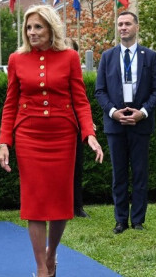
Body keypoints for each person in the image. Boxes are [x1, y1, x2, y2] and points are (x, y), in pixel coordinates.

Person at [0, 5, 103, 277]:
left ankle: (52, 254)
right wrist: (4, 142)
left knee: (59, 203)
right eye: (28, 28)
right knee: (34, 203)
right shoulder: (16, 59)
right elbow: (10, 103)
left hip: (63, 136)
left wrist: (89, 134)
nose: (32, 32)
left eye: (38, 27)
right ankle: (41, 269)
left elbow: (80, 99)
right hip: (29, 136)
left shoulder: (69, 57)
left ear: (51, 29)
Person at [95, 11, 156, 233]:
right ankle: (120, 220)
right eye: (119, 24)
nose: (123, 27)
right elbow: (100, 91)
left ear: (136, 27)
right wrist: (113, 112)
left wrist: (142, 112)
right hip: (115, 125)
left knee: (140, 173)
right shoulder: (107, 57)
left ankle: (138, 221)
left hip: (140, 124)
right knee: (119, 174)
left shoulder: (150, 56)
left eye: (127, 24)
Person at [65, 38, 90, 218]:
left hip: (75, 126)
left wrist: (87, 124)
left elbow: (82, 102)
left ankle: (77, 206)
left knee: (76, 166)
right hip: (56, 126)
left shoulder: (76, 76)